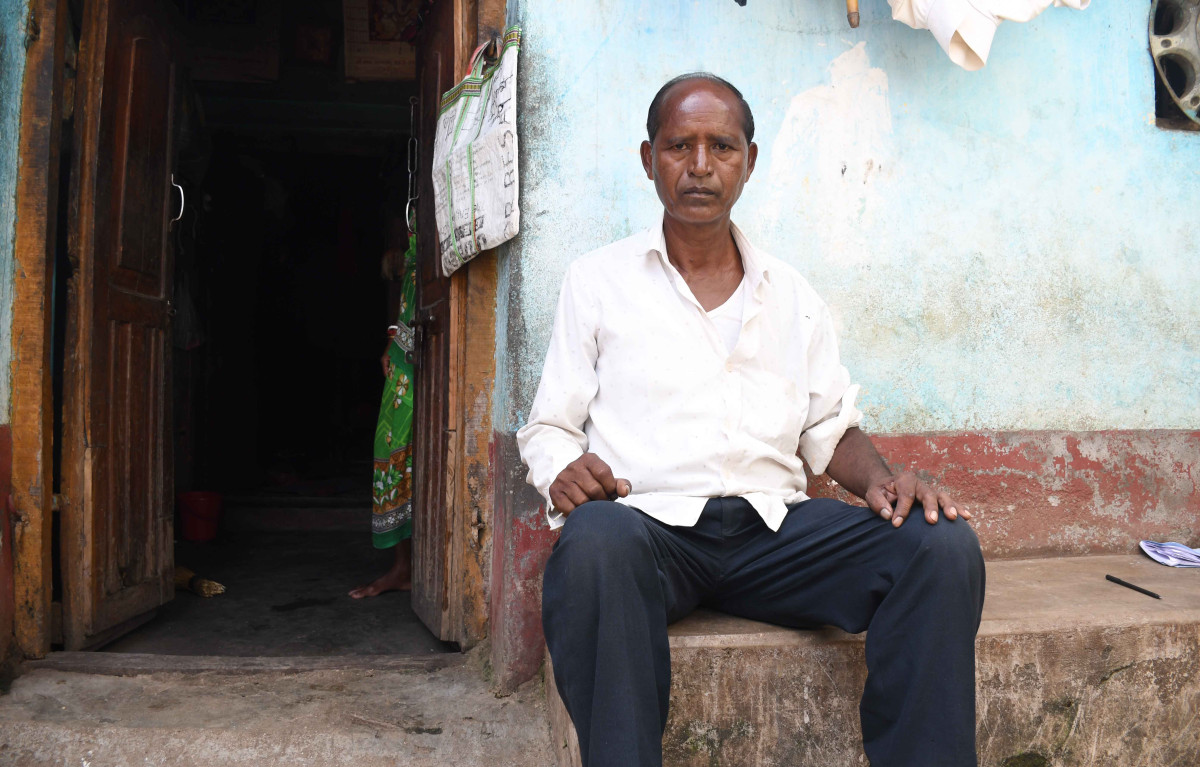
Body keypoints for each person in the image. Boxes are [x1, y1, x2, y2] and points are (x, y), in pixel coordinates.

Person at [517, 73, 986, 767]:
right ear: (649, 159)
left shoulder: (791, 293)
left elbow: (828, 427)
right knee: (594, 540)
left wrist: (884, 481)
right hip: (649, 531)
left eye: (721, 147)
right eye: (680, 145)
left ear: (750, 161)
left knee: (940, 547)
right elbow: (550, 426)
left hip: (774, 534)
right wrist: (563, 469)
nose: (700, 166)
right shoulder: (597, 281)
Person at [350, 235, 417, 598]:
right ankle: (402, 568)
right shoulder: (413, 246)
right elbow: (406, 308)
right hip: (404, 367)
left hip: (431, 361)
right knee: (391, 454)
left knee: (422, 460)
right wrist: (393, 341)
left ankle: (427, 569)